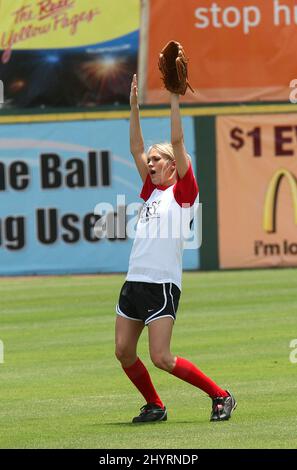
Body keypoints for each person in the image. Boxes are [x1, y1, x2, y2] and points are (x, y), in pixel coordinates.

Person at [115, 74, 236, 423]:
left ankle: (220, 395)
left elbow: (178, 140)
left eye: (157, 160)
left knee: (161, 357)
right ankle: (155, 404)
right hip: (134, 281)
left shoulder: (183, 194)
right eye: (149, 161)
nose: (150, 164)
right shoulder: (151, 191)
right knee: (123, 352)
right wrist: (134, 105)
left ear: (172, 165)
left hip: (162, 285)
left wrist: (173, 97)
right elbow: (135, 148)